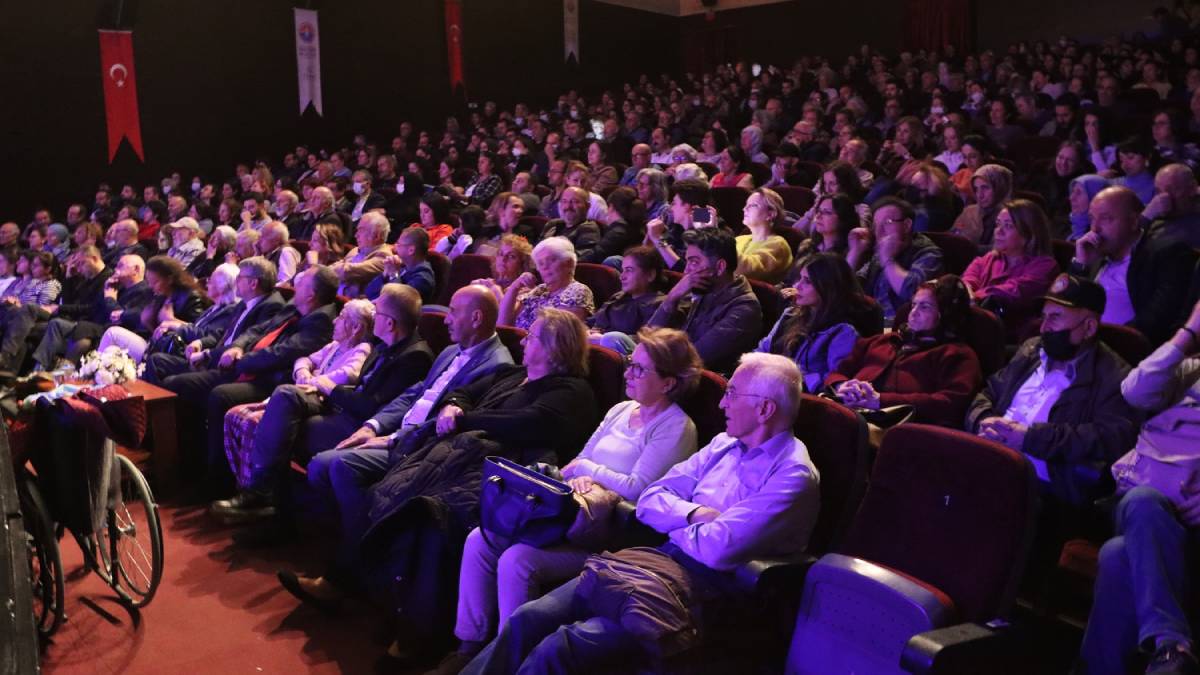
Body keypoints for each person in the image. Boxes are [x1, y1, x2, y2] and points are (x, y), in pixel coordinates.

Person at [460, 352, 819, 674]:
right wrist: (694, 515)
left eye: (732, 393)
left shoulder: (792, 474)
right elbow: (649, 499)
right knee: (529, 617)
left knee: (561, 646)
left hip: (710, 592)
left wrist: (677, 518)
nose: (722, 404)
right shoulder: (724, 444)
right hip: (654, 561)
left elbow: (718, 549)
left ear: (765, 409)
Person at [280, 309, 598, 662]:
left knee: (431, 518)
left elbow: (530, 424)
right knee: (387, 492)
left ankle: (417, 637)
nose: (523, 339)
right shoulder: (514, 374)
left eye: (534, 336)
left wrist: (464, 418)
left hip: (503, 476)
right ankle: (348, 586)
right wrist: (453, 407)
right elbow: (462, 392)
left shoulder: (572, 391)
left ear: (555, 348)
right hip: (457, 457)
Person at [434, 327, 702, 672]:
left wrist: (590, 470)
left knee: (517, 560)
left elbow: (638, 489)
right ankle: (469, 645)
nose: (628, 373)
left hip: (608, 535)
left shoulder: (677, 427)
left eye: (639, 369)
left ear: (668, 382)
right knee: (479, 540)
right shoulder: (621, 409)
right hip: (573, 515)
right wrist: (589, 472)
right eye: (630, 364)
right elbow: (576, 461)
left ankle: (504, 661)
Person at [1077, 299, 1200, 675]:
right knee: (1142, 502)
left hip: (1188, 521)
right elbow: (1134, 392)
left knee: (1116, 556)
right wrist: (1187, 335)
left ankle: (1165, 649)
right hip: (1137, 501)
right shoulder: (1189, 371)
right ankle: (1169, 643)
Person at [159, 264, 337, 492]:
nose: (295, 285)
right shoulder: (295, 307)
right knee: (176, 384)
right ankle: (189, 460)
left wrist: (239, 360)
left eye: (301, 283)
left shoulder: (321, 321)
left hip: (270, 380)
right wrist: (237, 348)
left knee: (219, 395)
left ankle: (218, 478)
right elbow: (256, 331)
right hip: (248, 367)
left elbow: (282, 354)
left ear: (311, 293)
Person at [966, 274, 1138, 508]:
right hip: (987, 456)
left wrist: (1029, 438)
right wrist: (983, 421)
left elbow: (1108, 438)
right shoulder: (1032, 350)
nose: (1044, 327)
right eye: (1044, 317)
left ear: (1088, 327)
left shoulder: (1115, 377)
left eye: (1055, 318)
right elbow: (987, 392)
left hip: (1041, 487)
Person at [212, 298, 378, 523]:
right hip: (309, 390)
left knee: (284, 394)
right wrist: (304, 374)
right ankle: (249, 487)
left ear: (356, 327)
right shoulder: (335, 345)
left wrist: (315, 380)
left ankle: (261, 489)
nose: (336, 320)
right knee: (242, 415)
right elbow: (304, 359)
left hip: (325, 399)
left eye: (342, 318)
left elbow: (349, 375)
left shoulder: (361, 348)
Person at [826, 275, 982, 427]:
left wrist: (880, 400)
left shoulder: (957, 355)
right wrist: (842, 386)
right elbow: (838, 372)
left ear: (946, 314)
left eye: (925, 307)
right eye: (913, 305)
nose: (913, 312)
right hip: (848, 414)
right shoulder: (881, 341)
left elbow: (950, 404)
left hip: (899, 430)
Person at [1070, 186, 1197, 345]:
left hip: (1123, 352)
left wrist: (1106, 343)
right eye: (1092, 219)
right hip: (1082, 346)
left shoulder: (1167, 254)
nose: (1095, 228)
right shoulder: (1095, 254)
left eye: (1106, 218)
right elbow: (1066, 306)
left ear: (1134, 222)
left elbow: (1156, 321)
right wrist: (1080, 264)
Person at [649, 227, 762, 374]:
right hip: (673, 368)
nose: (686, 271)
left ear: (720, 267)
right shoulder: (702, 289)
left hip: (700, 383)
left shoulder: (745, 308)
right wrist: (672, 298)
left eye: (694, 262)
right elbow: (651, 333)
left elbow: (694, 359)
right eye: (687, 261)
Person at [760, 253, 874, 392]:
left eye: (807, 281)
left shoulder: (844, 331)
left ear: (828, 287)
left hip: (803, 399)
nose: (797, 286)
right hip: (769, 387)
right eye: (800, 278)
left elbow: (835, 380)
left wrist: (787, 377)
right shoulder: (789, 314)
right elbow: (763, 350)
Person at [33, 253, 153, 369]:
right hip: (96, 326)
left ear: (136, 269)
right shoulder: (119, 287)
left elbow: (117, 318)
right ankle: (38, 369)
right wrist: (106, 288)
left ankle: (63, 374)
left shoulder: (144, 291)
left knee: (80, 337)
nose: (116, 269)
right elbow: (97, 308)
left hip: (116, 334)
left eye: (121, 265)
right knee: (56, 324)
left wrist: (110, 298)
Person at [101, 262, 238, 363]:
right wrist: (149, 321)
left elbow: (197, 331)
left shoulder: (190, 297)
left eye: (155, 282)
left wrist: (172, 321)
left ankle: (95, 377)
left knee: (113, 333)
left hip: (174, 350)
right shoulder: (161, 296)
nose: (207, 284)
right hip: (156, 345)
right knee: (111, 341)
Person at [961, 199, 1060, 335]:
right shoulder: (987, 259)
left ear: (1028, 234)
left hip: (1009, 336)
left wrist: (972, 298)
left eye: (1008, 226)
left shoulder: (1045, 266)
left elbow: (1013, 291)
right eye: (997, 224)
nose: (998, 232)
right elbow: (966, 282)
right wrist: (966, 294)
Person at [851, 197, 945, 325]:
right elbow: (848, 287)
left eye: (887, 222)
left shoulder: (928, 253)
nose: (879, 232)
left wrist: (888, 260)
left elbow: (911, 292)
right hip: (872, 322)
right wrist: (855, 252)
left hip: (903, 325)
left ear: (907, 225)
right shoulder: (880, 252)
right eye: (875, 226)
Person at [499, 236, 595, 330]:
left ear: (569, 263)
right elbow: (503, 323)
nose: (544, 267)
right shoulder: (539, 290)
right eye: (540, 263)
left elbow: (555, 335)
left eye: (551, 260)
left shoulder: (578, 291)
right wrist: (514, 287)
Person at [588, 245, 666, 355]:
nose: (622, 277)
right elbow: (592, 322)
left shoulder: (659, 304)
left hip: (630, 358)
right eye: (622, 270)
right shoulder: (618, 297)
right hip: (597, 347)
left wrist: (602, 338)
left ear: (650, 275)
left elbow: (647, 339)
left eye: (629, 270)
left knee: (612, 338)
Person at [736, 188, 793, 283]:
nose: (744, 209)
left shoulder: (778, 244)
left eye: (753, 205)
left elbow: (747, 271)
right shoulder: (739, 239)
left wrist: (719, 239)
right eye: (746, 205)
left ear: (770, 214)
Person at [366, 225, 436, 302]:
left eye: (399, 244)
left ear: (411, 250)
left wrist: (393, 274)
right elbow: (369, 293)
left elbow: (398, 302)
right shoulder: (402, 267)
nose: (395, 247)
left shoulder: (423, 279)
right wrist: (384, 275)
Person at [951, 164, 1014, 248]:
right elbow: (951, 237)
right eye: (976, 189)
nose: (979, 195)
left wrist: (966, 249)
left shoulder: (1010, 217)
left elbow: (999, 251)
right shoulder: (969, 211)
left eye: (985, 188)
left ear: (1000, 188)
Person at [331, 211, 392, 297]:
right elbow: (338, 267)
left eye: (361, 230)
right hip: (336, 295)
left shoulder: (384, 257)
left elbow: (346, 272)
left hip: (352, 304)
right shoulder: (356, 250)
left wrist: (329, 270)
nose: (356, 235)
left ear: (376, 236)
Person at [1143, 163, 1200, 248]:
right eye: (1158, 191)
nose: (1163, 197)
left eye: (1171, 189)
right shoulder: (1153, 217)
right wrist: (1146, 216)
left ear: (1192, 188)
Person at [795, 193, 860, 263]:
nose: (818, 216)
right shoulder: (807, 246)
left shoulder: (850, 252)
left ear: (843, 218)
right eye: (818, 211)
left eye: (827, 212)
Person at [539, 187, 601, 261]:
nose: (568, 206)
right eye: (564, 201)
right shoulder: (553, 224)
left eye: (574, 201)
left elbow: (580, 259)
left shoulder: (589, 228)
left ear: (587, 206)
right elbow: (536, 250)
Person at [472, 235, 533, 305]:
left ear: (522, 264)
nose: (503, 259)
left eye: (511, 256)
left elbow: (505, 314)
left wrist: (495, 289)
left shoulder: (524, 291)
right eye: (501, 254)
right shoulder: (487, 283)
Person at [1065, 174, 1112, 241]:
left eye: (1079, 193)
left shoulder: (1098, 237)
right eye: (1073, 191)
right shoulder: (1065, 225)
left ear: (1094, 198)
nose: (1071, 198)